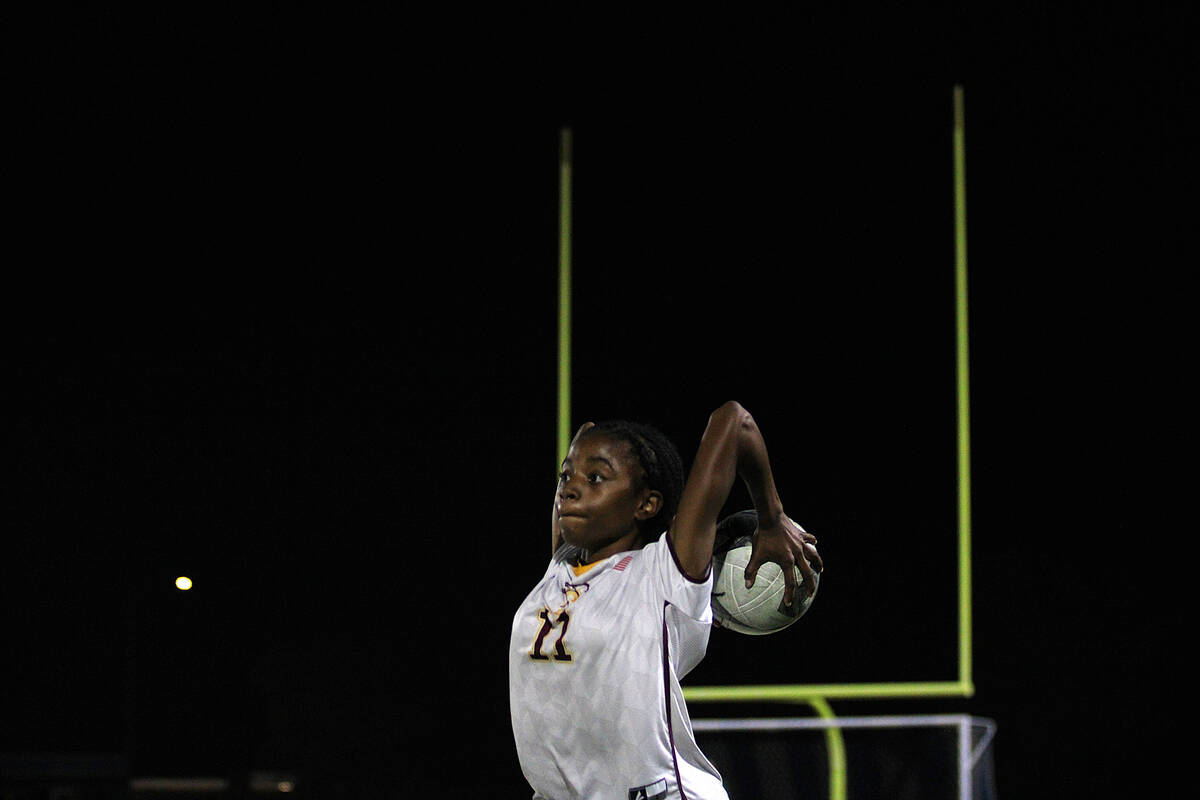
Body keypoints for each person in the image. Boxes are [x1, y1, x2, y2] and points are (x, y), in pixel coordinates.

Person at [509, 401, 822, 800]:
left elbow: (734, 421)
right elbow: (584, 434)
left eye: (596, 477)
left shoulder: (664, 573)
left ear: (647, 504)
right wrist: (587, 454)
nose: (570, 488)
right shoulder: (562, 566)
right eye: (567, 476)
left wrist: (771, 518)